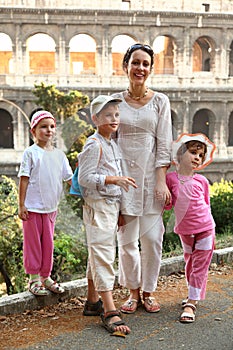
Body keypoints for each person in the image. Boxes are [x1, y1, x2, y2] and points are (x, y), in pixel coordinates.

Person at [111, 43, 173, 313]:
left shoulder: (160, 101)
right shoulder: (114, 102)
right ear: (126, 66)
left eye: (145, 64)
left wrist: (161, 180)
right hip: (124, 181)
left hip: (150, 179)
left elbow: (164, 143)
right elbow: (109, 143)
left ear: (150, 69)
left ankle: (148, 291)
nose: (140, 68)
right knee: (126, 240)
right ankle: (133, 292)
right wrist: (113, 181)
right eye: (135, 63)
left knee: (152, 239)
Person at [78, 95, 137, 335]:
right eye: (107, 115)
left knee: (99, 250)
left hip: (110, 206)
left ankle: (93, 302)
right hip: (98, 206)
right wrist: (113, 179)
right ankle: (109, 309)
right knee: (103, 253)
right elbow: (84, 179)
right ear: (95, 119)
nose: (113, 119)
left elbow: (117, 175)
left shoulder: (112, 143)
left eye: (116, 115)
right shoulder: (94, 145)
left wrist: (121, 210)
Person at [18, 110, 73, 296]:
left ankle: (46, 277)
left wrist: (84, 194)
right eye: (43, 127)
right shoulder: (30, 153)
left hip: (51, 208)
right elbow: (24, 179)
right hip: (32, 208)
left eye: (51, 127)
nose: (48, 130)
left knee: (48, 244)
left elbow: (70, 179)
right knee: (33, 243)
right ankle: (33, 279)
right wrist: (21, 205)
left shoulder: (60, 155)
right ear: (33, 131)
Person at [163, 133, 216, 323]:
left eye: (201, 155)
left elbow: (206, 206)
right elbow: (167, 204)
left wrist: (212, 233)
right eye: (193, 152)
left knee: (200, 266)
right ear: (180, 155)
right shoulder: (170, 179)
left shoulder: (201, 181)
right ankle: (192, 293)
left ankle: (191, 303)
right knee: (190, 263)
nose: (197, 158)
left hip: (205, 228)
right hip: (185, 231)